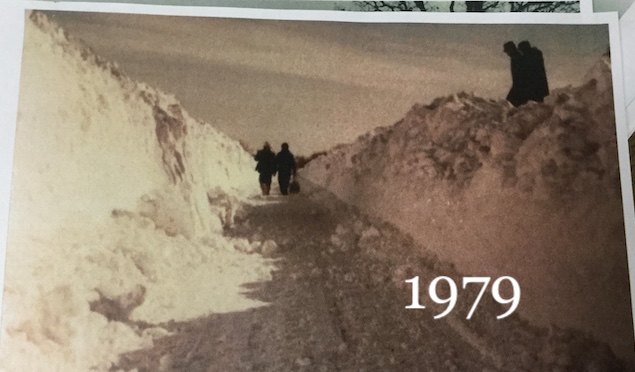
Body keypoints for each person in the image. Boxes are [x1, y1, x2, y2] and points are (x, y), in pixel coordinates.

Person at [503, 41, 529, 107]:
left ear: (511, 49)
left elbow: (520, 73)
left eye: (507, 51)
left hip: (520, 85)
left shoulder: (516, 57)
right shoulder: (516, 56)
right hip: (519, 84)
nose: (507, 53)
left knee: (511, 102)